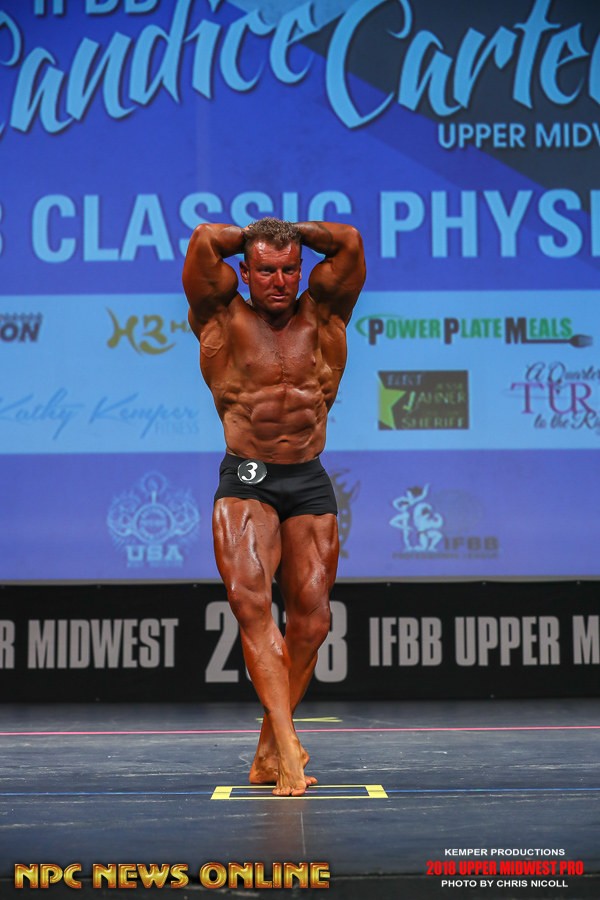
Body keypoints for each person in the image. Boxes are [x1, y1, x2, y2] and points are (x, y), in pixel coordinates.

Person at [182, 217, 365, 796]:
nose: (279, 281)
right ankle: (287, 749)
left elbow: (350, 243)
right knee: (251, 603)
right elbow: (203, 240)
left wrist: (295, 232)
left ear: (302, 267)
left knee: (313, 620)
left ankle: (268, 746)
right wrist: (253, 235)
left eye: (289, 269)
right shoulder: (220, 316)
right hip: (248, 477)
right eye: (265, 270)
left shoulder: (325, 314)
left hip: (307, 477)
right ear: (244, 271)